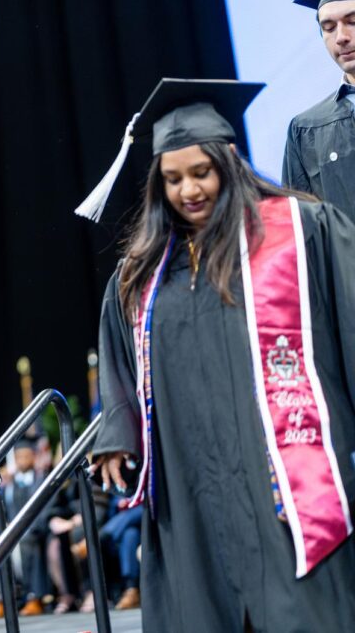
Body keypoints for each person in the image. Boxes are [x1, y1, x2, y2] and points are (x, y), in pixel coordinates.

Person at [77, 78, 355, 632]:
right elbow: (121, 367)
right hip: (192, 480)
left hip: (282, 474)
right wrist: (117, 433)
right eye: (173, 179)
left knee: (300, 605)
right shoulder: (143, 274)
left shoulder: (303, 232)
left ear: (229, 162)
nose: (189, 191)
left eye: (200, 173)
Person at [283, 0, 355, 222]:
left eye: (352, 21)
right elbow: (302, 229)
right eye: (329, 27)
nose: (342, 38)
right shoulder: (306, 130)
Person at [3, 438, 48, 616]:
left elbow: (46, 507)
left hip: (36, 528)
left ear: (34, 457)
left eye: (26, 456)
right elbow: (5, 509)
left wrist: (32, 527)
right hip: (15, 529)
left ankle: (34, 596)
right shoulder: (9, 484)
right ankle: (4, 597)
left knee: (29, 541)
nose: (22, 460)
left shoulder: (42, 478)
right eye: (18, 457)